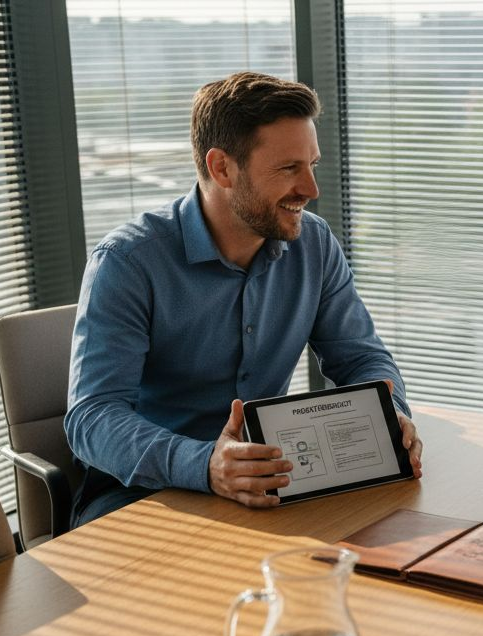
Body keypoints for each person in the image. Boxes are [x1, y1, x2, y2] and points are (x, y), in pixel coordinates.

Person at [66, 72, 422, 526]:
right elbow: (91, 418)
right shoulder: (128, 262)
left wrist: (388, 416)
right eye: (289, 169)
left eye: (312, 164)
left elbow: (362, 359)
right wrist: (206, 465)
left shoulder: (313, 244)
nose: (312, 190)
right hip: (141, 496)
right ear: (222, 169)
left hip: (269, 481)